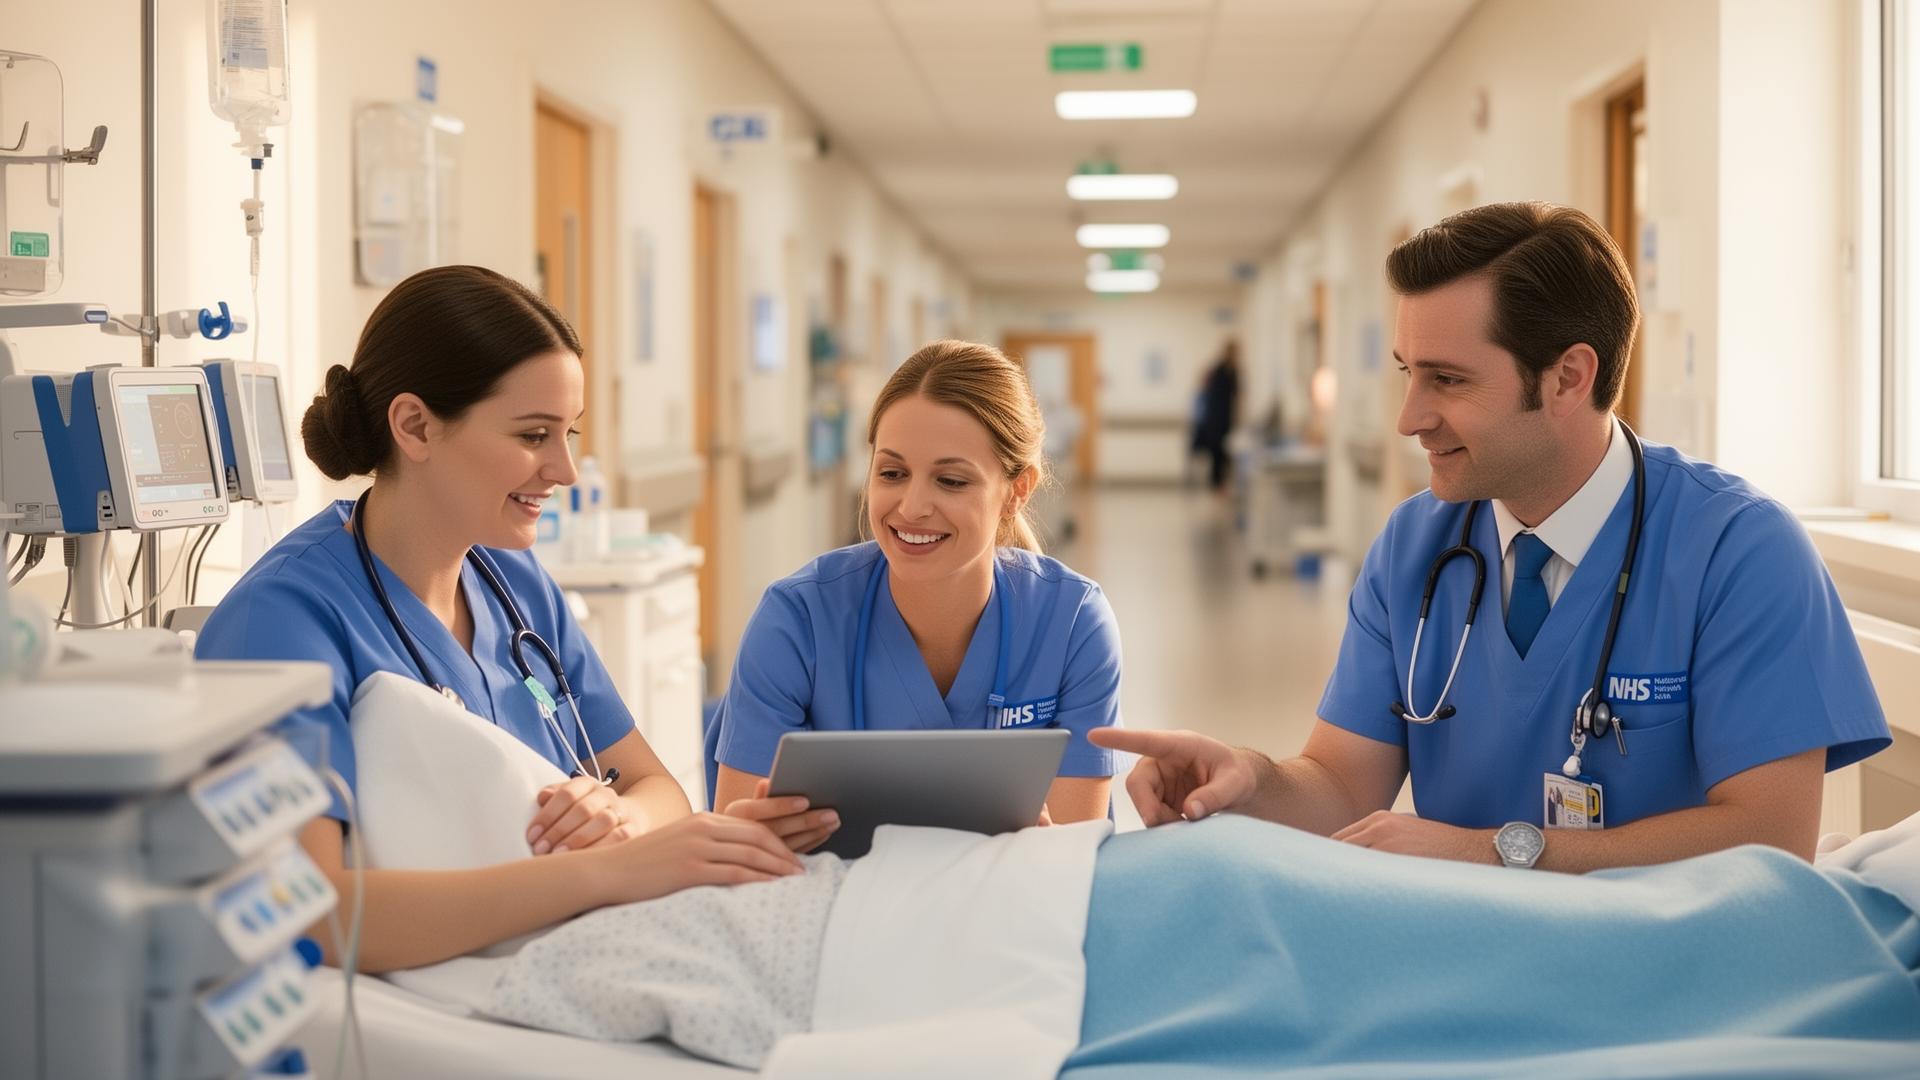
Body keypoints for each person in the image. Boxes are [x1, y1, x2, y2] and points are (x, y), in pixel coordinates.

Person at [1092, 203, 1891, 872]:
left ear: (1568, 378)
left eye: (1449, 379)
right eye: (1408, 372)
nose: (1410, 418)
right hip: (1463, 956)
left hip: (1669, 961)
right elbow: (1339, 784)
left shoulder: (1739, 551)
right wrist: (1251, 778)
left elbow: (1770, 838)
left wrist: (1497, 853)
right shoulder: (1416, 546)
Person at [195, 266, 811, 972]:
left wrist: (620, 818)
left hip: (561, 949)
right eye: (534, 434)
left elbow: (658, 790)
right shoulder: (280, 623)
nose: (565, 469)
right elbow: (311, 911)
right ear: (415, 426)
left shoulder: (513, 585)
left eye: (569, 433)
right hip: (437, 991)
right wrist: (606, 872)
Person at [707, 340, 1122, 840]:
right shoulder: (797, 620)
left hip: (1009, 913)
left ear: (1017, 490)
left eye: (950, 480)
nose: (912, 506)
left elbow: (1067, 859)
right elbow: (738, 850)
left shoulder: (1073, 623)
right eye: (892, 473)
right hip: (834, 911)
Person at [1193, 340, 1241, 493]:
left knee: (1222, 454)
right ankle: (1217, 488)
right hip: (1215, 419)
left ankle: (1220, 487)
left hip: (1222, 418)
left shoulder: (1229, 371)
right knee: (1217, 454)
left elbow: (1236, 396)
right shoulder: (1221, 370)